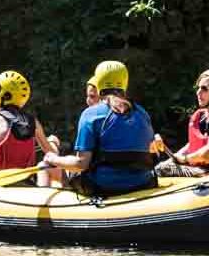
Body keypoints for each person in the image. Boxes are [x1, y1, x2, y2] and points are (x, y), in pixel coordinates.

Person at [41, 60, 159, 197]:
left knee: (65, 169)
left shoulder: (90, 114)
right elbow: (151, 152)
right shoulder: (142, 113)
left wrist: (53, 159)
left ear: (99, 83)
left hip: (103, 186)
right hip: (143, 183)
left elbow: (81, 164)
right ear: (125, 83)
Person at [0, 70, 63, 186]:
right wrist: (53, 142)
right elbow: (50, 152)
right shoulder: (33, 122)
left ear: (5, 96)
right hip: (24, 180)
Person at [152, 68, 209, 178]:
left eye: (204, 89)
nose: (198, 92)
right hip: (208, 168)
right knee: (163, 166)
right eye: (198, 88)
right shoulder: (204, 115)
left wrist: (185, 159)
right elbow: (193, 145)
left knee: (161, 170)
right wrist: (174, 158)